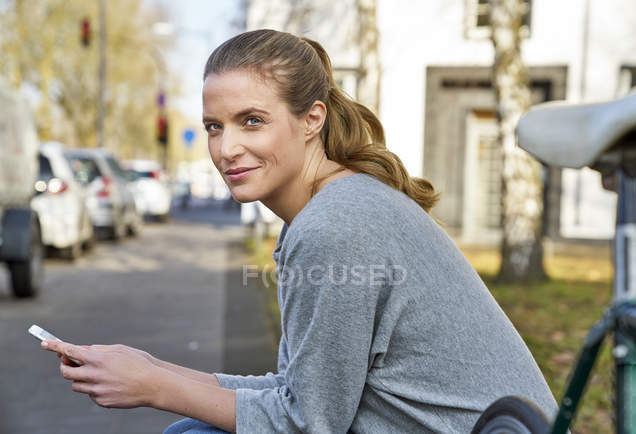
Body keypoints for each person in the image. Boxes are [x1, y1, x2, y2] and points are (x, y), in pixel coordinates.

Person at [41, 29, 558, 433]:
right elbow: (301, 392)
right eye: (215, 126)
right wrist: (152, 367)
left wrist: (156, 388)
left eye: (252, 121)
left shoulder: (335, 226)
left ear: (312, 119)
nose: (226, 149)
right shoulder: (333, 208)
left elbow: (309, 424)